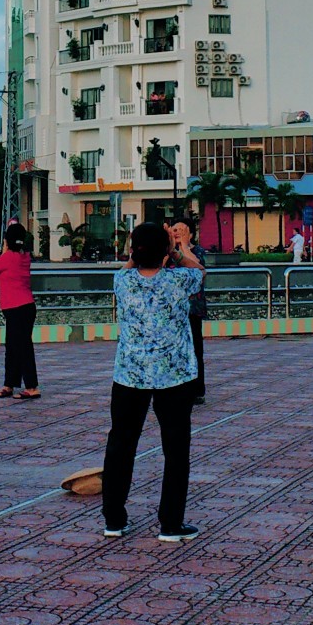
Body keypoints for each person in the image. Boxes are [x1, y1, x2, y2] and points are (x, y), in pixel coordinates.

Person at [100, 221, 204, 542]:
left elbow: (130, 265)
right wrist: (178, 248)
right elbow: (199, 270)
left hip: (129, 376)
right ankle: (171, 523)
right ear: (164, 255)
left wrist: (139, 253)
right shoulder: (179, 281)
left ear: (133, 251)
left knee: (120, 446)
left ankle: (114, 519)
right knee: (175, 451)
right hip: (173, 378)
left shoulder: (122, 281)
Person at [0, 223, 39, 399]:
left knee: (21, 347)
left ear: (6, 240)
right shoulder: (25, 257)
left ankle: (32, 387)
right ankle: (9, 384)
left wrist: (4, 250)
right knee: (13, 346)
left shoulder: (9, 257)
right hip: (25, 306)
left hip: (17, 308)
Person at [173, 217, 209, 404]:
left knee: (195, 349)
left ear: (191, 234)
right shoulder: (168, 254)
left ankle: (196, 390)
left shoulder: (197, 251)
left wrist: (185, 247)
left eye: (182, 230)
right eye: (174, 229)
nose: (177, 232)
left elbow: (198, 270)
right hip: (173, 312)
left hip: (192, 309)